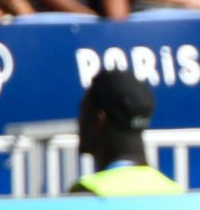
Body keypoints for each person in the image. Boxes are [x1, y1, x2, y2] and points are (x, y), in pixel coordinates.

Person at [71, 67, 182, 197]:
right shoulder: (176, 192)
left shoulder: (86, 193)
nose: (78, 123)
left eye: (83, 114)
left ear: (99, 120)